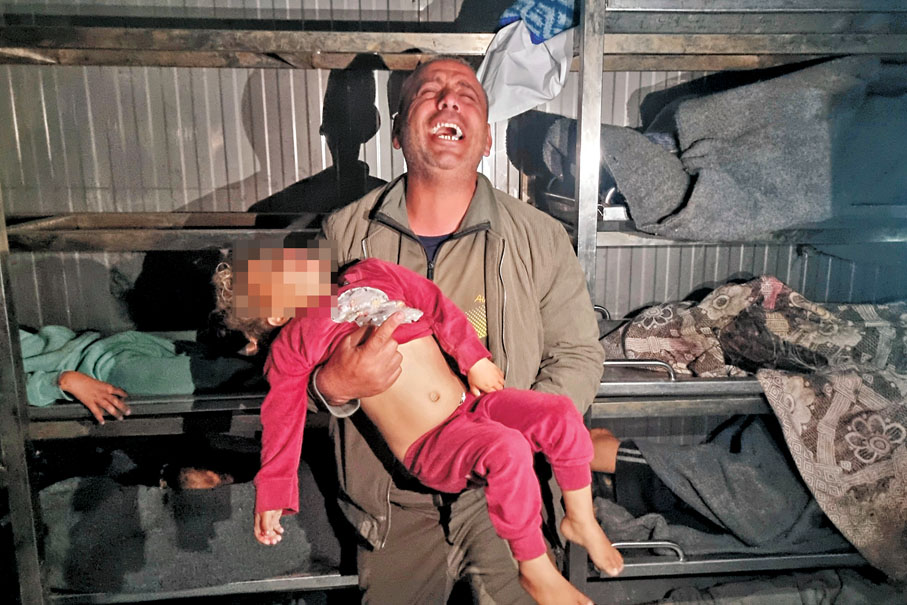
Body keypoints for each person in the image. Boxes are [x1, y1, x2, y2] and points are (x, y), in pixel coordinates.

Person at [312, 56, 606, 603]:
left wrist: (509, 438)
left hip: (502, 490)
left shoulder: (542, 236)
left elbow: (578, 355)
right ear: (397, 134)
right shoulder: (341, 233)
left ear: (487, 139)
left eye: (467, 95)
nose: (449, 99)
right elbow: (284, 358)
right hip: (391, 501)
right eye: (430, 92)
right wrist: (332, 385)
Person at [215, 245, 622, 604]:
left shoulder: (369, 272)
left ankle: (580, 518)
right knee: (507, 449)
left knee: (558, 413)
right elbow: (282, 417)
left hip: (471, 407)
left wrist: (474, 359)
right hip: (430, 445)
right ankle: (534, 567)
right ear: (276, 312)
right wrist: (272, 492)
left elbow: (434, 302)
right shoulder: (294, 342)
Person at [20, 325, 264, 424]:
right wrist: (62, 382)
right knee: (227, 377)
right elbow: (13, 394)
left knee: (231, 368)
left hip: (106, 353)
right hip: (100, 370)